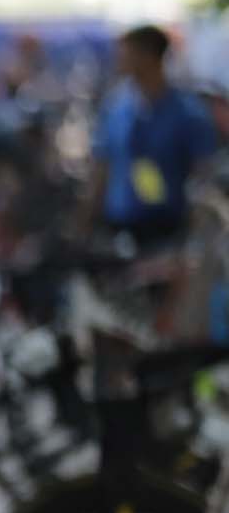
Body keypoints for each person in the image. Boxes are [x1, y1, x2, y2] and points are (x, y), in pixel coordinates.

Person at [89, 23, 221, 337]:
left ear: (150, 56)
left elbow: (206, 174)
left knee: (167, 322)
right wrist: (85, 220)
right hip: (120, 226)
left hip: (169, 231)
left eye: (127, 53)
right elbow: (102, 167)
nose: (120, 60)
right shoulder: (116, 108)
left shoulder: (189, 113)